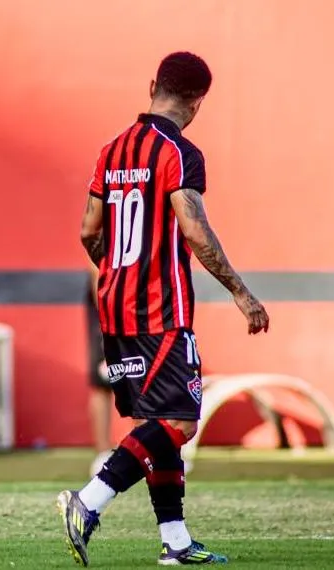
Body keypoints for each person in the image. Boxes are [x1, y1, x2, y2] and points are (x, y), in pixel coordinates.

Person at [57, 52, 269, 566]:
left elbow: (89, 230)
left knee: (156, 422)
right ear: (198, 102)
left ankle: (175, 542)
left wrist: (113, 270)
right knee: (179, 420)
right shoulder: (180, 151)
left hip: (114, 305)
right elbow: (194, 229)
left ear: (153, 85)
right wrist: (242, 292)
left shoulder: (110, 151)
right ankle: (90, 500)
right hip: (161, 308)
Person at [84, 263, 114, 477]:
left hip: (138, 291)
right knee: (103, 379)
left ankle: (145, 454)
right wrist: (107, 318)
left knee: (141, 380)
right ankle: (103, 454)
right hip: (109, 296)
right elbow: (94, 259)